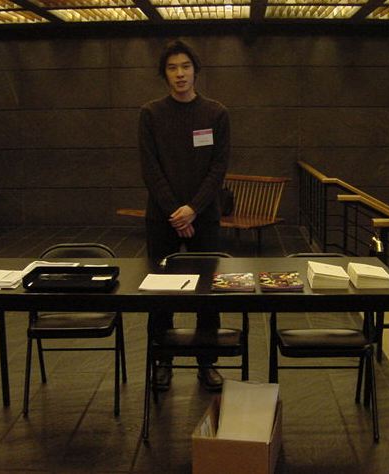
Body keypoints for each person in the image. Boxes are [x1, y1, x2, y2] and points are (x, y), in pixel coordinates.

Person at [138, 39, 230, 392]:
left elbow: (218, 168)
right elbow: (150, 168)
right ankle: (162, 361)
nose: (180, 74)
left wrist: (192, 209)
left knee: (207, 292)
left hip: (204, 217)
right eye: (172, 68)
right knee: (161, 292)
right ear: (164, 74)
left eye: (186, 66)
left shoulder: (216, 113)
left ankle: (207, 362)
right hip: (161, 218)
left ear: (196, 71)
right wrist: (175, 213)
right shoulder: (151, 114)